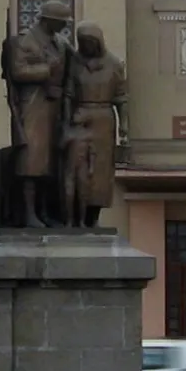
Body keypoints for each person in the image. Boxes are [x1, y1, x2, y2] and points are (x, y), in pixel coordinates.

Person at [2, 0, 73, 227]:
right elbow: (18, 70)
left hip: (55, 106)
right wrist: (47, 69)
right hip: (33, 104)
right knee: (31, 161)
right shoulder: (25, 41)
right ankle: (28, 213)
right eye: (61, 22)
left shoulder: (61, 42)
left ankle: (44, 211)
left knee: (50, 164)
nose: (64, 26)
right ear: (47, 20)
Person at [61, 21, 128, 228]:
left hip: (103, 120)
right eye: (82, 43)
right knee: (75, 170)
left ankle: (94, 216)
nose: (86, 47)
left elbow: (121, 97)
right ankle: (73, 217)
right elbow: (68, 95)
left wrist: (124, 125)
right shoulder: (75, 63)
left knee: (100, 171)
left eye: (89, 43)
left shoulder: (114, 64)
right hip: (80, 117)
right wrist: (66, 122)